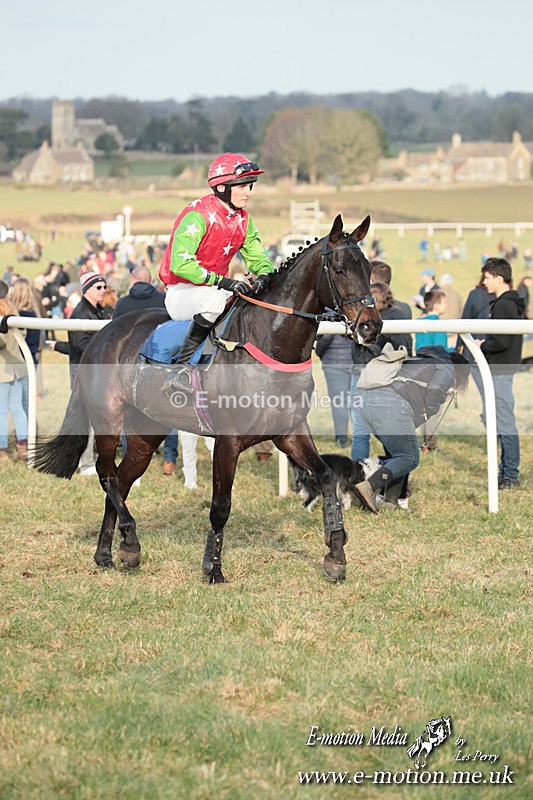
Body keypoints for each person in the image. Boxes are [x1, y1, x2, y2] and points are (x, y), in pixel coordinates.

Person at [158, 153, 274, 376]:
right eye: (241, 186)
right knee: (214, 301)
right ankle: (182, 367)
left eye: (250, 186)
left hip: (216, 290)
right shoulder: (196, 214)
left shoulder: (244, 220)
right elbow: (180, 265)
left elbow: (258, 258)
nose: (248, 192)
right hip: (182, 293)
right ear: (222, 187)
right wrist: (224, 282)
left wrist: (265, 276)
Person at [354, 346, 469, 513]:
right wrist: (432, 407)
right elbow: (436, 389)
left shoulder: (418, 360)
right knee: (410, 458)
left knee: (398, 456)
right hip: (390, 402)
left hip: (367, 402)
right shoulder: (446, 366)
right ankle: (369, 487)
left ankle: (390, 503)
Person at [47, 270, 109, 476]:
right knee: (85, 418)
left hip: (94, 372)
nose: (103, 291)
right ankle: (85, 462)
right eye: (98, 287)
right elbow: (81, 345)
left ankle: (88, 459)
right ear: (87, 290)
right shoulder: (81, 313)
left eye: (104, 287)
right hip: (82, 372)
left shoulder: (98, 310)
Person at [474, 258, 526, 490]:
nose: (484, 282)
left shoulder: (504, 305)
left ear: (498, 277)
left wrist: (481, 344)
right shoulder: (509, 302)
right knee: (502, 423)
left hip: (500, 369)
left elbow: (502, 341)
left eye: (487, 278)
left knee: (505, 424)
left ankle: (509, 476)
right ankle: (506, 473)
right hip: (504, 368)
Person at [350, 282, 413, 462]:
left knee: (361, 432)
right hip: (391, 377)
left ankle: (358, 478)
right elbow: (407, 346)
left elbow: (365, 354)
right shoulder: (400, 316)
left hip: (368, 376)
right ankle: (394, 478)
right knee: (388, 431)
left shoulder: (370, 320)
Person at [0, 280, 28, 462]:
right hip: (18, 366)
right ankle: (23, 446)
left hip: (3, 368)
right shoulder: (12, 310)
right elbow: (23, 334)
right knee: (17, 408)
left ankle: (2, 451)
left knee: (1, 411)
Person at [8, 278, 42, 417]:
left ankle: (25, 435)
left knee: (18, 404)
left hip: (17, 362)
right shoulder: (35, 315)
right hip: (31, 360)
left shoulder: (16, 316)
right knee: (25, 403)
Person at [315, 324, 352, 448]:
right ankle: (358, 439)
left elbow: (321, 345)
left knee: (339, 405)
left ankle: (342, 441)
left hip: (334, 364)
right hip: (355, 362)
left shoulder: (329, 314)